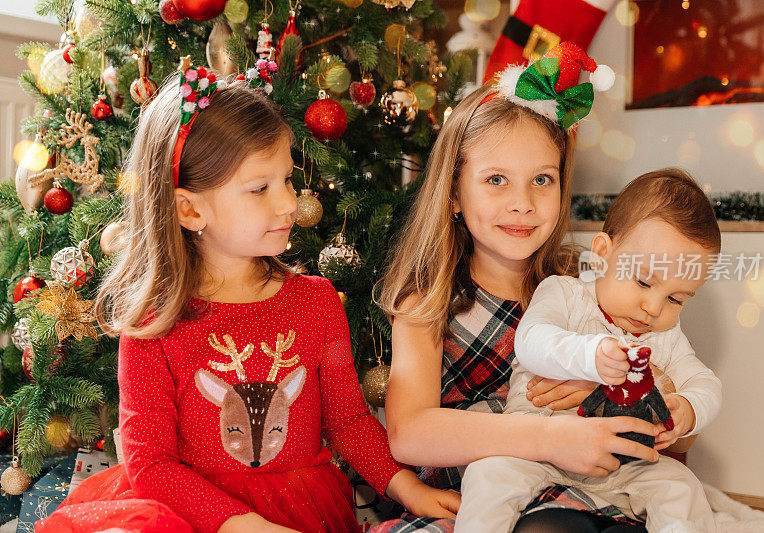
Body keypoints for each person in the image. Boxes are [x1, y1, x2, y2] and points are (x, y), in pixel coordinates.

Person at [37, 60, 458, 533]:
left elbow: (350, 421)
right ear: (190, 209)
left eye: (286, 179)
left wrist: (407, 487)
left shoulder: (315, 302)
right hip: (197, 516)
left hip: (303, 509)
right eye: (260, 188)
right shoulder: (153, 324)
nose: (287, 203)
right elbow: (152, 466)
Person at [374, 44, 661, 532]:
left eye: (541, 179)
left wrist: (652, 392)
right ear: (454, 195)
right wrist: (546, 437)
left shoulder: (580, 286)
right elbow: (409, 431)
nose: (523, 203)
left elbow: (646, 370)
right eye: (496, 180)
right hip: (471, 500)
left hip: (575, 487)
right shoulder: (429, 299)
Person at [457, 169, 722, 532]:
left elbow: (705, 382)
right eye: (644, 282)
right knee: (487, 474)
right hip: (535, 448)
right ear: (601, 255)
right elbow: (531, 340)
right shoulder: (564, 294)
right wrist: (590, 355)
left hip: (624, 463)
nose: (654, 308)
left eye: (676, 299)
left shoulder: (666, 333)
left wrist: (689, 409)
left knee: (682, 487)